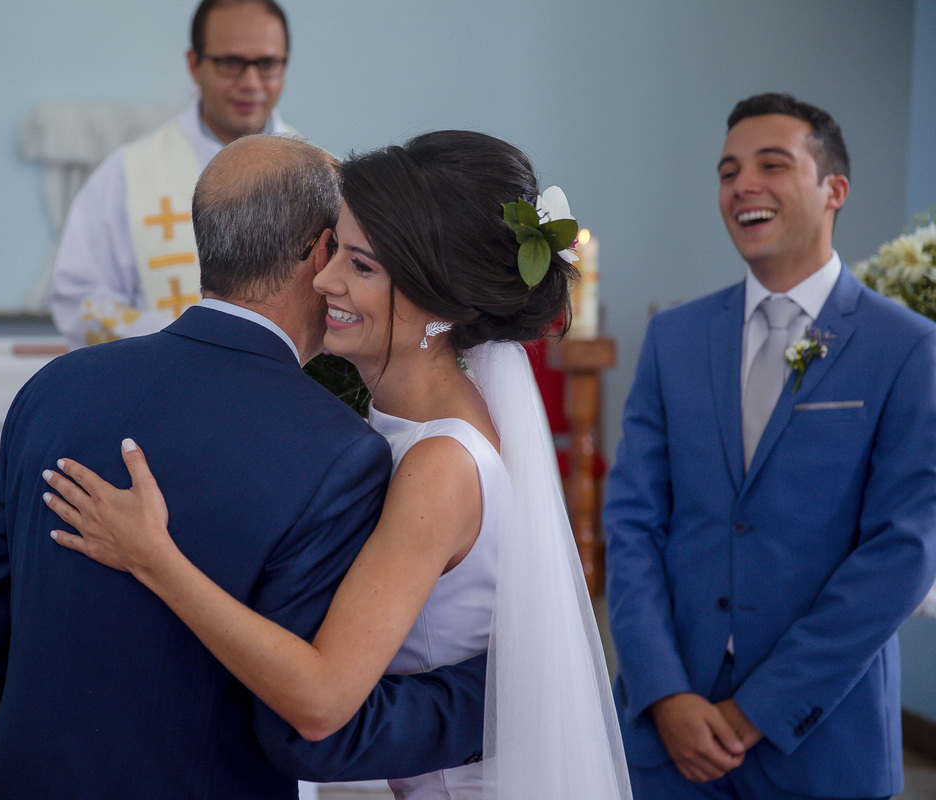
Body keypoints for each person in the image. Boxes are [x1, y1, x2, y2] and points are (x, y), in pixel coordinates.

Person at [44, 130, 632, 798]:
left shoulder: (441, 464)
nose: (323, 280)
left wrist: (155, 556)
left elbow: (323, 697)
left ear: (434, 299)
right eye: (333, 251)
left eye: (360, 265)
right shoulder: (393, 416)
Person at [0, 135, 491, 799]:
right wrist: (490, 697)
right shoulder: (334, 452)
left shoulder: (53, 389)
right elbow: (303, 723)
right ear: (320, 252)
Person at [604, 92, 936, 800]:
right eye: (728, 172)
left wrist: (762, 708)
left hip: (823, 734)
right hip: (670, 732)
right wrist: (663, 692)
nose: (742, 185)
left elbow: (903, 549)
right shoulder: (675, 339)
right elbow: (631, 523)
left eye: (772, 165)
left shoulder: (907, 348)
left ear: (833, 190)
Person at [50, 0, 297, 347]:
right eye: (230, 63)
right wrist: (179, 339)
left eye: (267, 64)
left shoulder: (321, 175)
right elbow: (77, 297)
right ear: (194, 64)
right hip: (160, 385)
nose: (251, 82)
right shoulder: (128, 174)